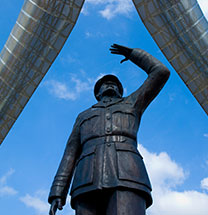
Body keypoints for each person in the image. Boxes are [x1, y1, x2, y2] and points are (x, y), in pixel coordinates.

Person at [48, 44, 170, 215]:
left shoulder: (133, 104)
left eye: (113, 84)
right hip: (86, 180)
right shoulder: (83, 116)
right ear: (97, 94)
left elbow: (161, 72)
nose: (109, 85)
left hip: (128, 176)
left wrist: (135, 54)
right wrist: (57, 191)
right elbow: (70, 153)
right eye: (104, 84)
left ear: (120, 92)